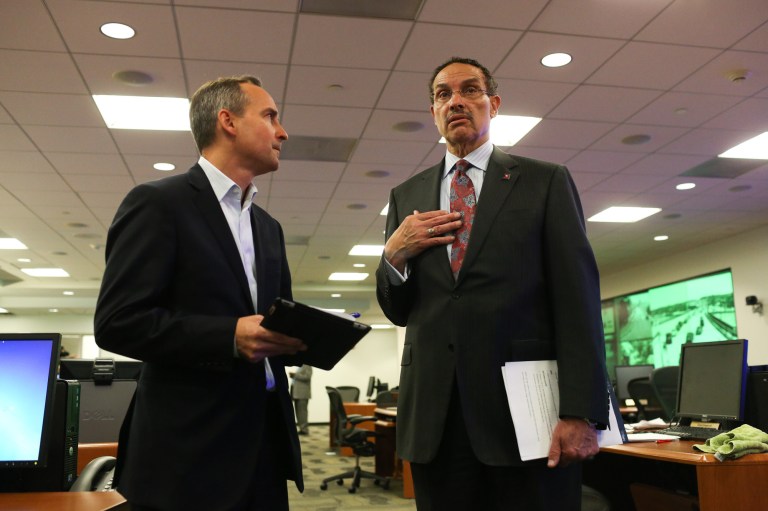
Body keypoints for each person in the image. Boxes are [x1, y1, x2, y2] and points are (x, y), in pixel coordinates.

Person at [375, 57, 609, 510]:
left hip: (525, 419)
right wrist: (393, 256)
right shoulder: (406, 196)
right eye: (443, 94)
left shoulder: (544, 182)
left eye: (470, 90)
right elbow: (400, 310)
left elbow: (577, 301)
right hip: (435, 421)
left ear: (493, 104)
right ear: (433, 113)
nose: (456, 101)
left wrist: (581, 411)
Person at [94, 75, 307, 511]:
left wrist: (309, 335)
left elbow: (271, 322)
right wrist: (228, 336)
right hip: (186, 454)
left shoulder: (269, 228)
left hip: (264, 446)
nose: (282, 132)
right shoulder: (158, 203)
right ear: (227, 121)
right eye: (270, 116)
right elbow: (118, 323)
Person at [289, 364, 313, 435]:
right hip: (296, 393)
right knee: (298, 412)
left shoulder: (308, 365)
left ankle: (304, 429)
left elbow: (307, 377)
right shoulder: (300, 366)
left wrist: (295, 375)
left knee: (302, 412)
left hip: (303, 394)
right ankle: (302, 428)